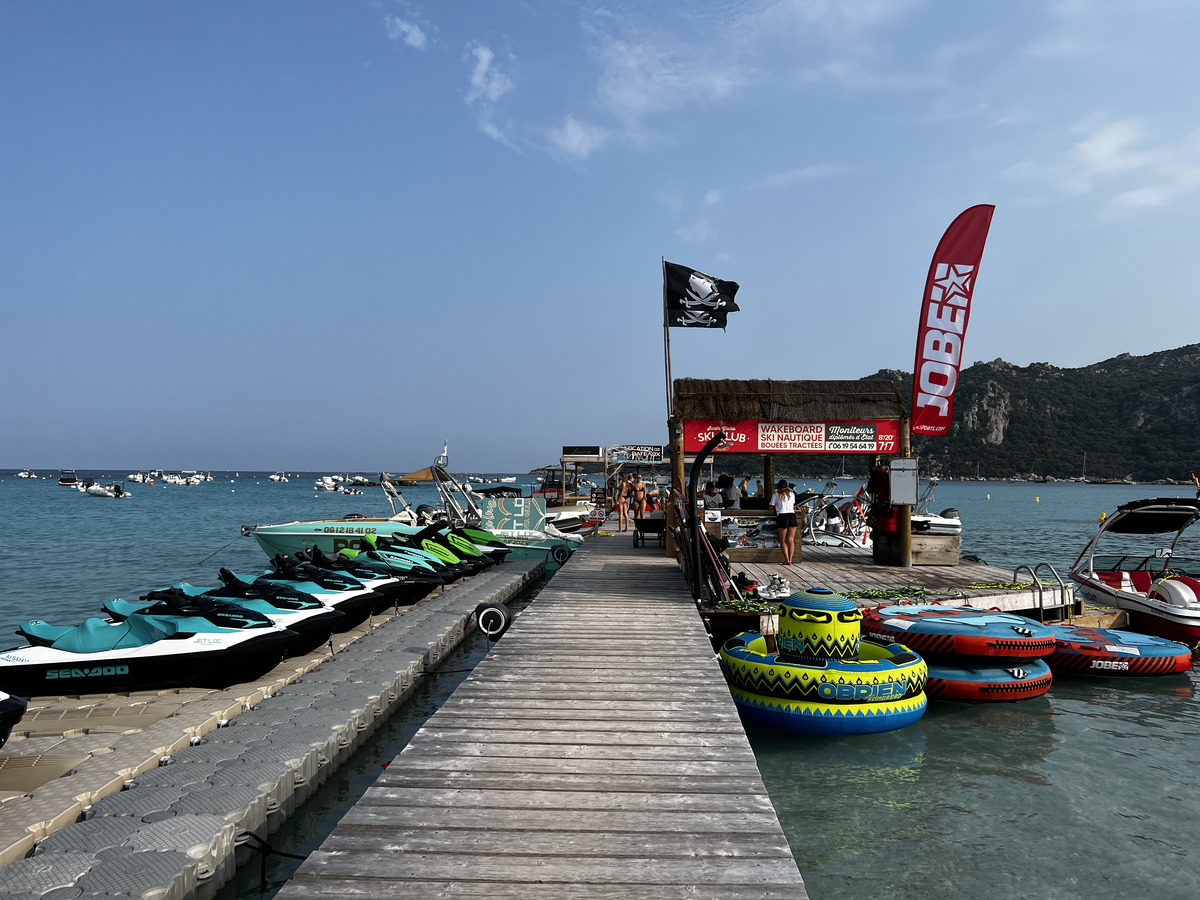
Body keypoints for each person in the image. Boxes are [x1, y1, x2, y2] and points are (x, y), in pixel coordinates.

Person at [769, 479, 798, 565]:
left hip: (782, 516)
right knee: (791, 540)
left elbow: (771, 506)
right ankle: (791, 559)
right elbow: (792, 504)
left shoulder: (776, 495)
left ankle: (786, 559)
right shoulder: (791, 494)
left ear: (778, 486)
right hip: (792, 516)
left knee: (783, 541)